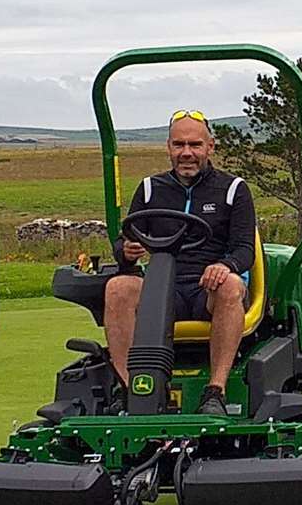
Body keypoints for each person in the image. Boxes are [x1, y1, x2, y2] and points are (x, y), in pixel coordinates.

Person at [104, 109, 256, 416]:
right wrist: (127, 250)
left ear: (210, 147)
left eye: (195, 145)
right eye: (179, 145)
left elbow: (244, 249)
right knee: (118, 288)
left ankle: (215, 391)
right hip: (165, 289)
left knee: (230, 285)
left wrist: (224, 265)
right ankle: (131, 388)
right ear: (168, 147)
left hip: (208, 289)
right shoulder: (150, 189)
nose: (186, 153)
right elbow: (125, 240)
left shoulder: (232, 190)